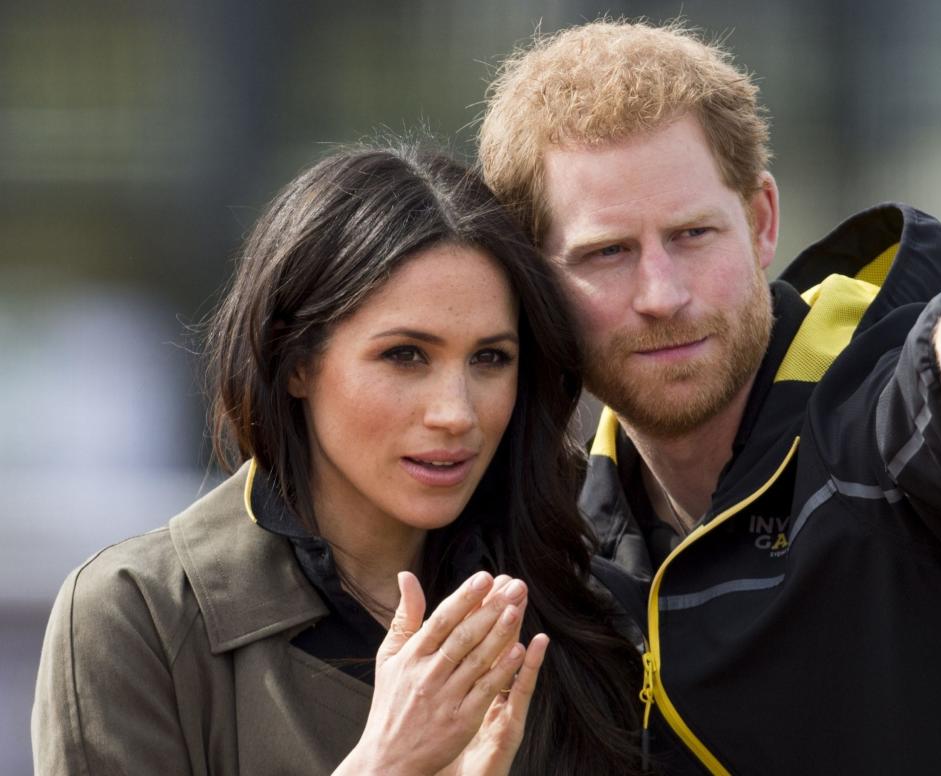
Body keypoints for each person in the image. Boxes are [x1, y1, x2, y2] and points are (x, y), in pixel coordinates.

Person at [478, 20, 941, 775]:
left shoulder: (887, 406)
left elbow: (935, 410)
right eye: (607, 253)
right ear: (535, 281)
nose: (661, 294)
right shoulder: (561, 556)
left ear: (761, 222)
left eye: (693, 234)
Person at [31, 144, 646, 775]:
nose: (457, 413)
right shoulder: (138, 618)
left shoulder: (581, 597)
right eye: (406, 355)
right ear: (297, 361)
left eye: (490, 358)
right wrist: (384, 764)